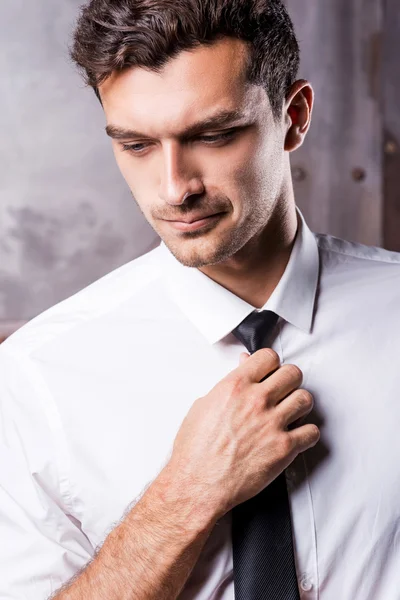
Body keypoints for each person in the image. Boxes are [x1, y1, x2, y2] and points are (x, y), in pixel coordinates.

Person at [1, 0, 400, 598]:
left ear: (294, 116)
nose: (174, 188)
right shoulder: (38, 375)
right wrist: (188, 493)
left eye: (213, 135)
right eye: (135, 145)